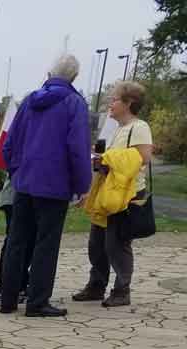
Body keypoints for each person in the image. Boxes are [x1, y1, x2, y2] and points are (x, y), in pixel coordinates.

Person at [0, 55, 92, 317]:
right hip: (54, 185)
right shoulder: (74, 103)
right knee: (46, 243)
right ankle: (37, 301)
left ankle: (8, 299)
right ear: (74, 77)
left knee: (17, 241)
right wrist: (83, 185)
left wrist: (16, 172)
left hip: (25, 182)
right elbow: (78, 149)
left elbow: (10, 143)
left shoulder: (29, 101)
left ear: (50, 73)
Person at [73, 81, 153, 308]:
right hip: (108, 193)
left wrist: (109, 159)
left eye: (115, 99)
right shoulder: (118, 129)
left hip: (126, 195)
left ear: (129, 103)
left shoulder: (139, 127)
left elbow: (142, 157)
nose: (111, 103)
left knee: (117, 244)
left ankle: (121, 290)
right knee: (96, 243)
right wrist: (101, 162)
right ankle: (96, 285)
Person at [0, 178, 30, 301]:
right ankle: (5, 286)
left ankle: (22, 283)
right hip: (13, 198)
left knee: (28, 243)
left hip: (29, 198)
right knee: (14, 244)